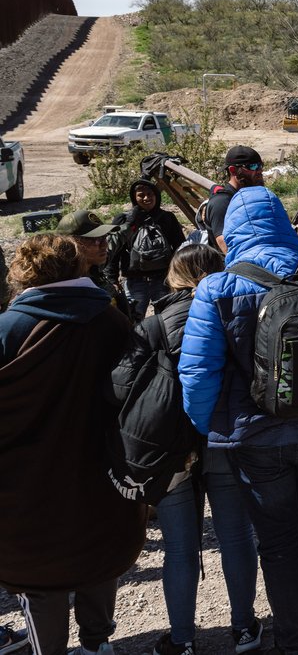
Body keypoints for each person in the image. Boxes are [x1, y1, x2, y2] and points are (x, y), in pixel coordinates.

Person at [180, 186, 298, 655]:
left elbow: (198, 373)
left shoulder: (217, 288)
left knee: (278, 538)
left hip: (254, 438)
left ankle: (293, 639)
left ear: (231, 232)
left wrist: (208, 428)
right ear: (283, 224)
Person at [114, 245, 262, 655]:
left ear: (173, 277)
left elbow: (120, 385)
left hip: (170, 448)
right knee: (236, 536)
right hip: (223, 436)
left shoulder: (155, 324)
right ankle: (244, 629)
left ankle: (182, 639)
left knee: (179, 547)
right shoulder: (237, 312)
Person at [0, 235, 142, 655]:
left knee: (40, 575)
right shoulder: (111, 320)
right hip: (100, 470)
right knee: (98, 553)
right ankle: (98, 645)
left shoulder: (8, 329)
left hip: (25, 482)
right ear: (78, 267)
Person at [104, 179, 186, 318]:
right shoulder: (124, 220)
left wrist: (180, 275)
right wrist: (112, 279)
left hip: (163, 279)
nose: (147, 198)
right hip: (135, 280)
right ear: (134, 197)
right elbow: (114, 251)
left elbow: (180, 247)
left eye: (150, 194)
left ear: (156, 195)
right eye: (141, 195)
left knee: (166, 319)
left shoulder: (167, 218)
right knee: (133, 319)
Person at [56, 209, 132, 316]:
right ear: (72, 244)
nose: (104, 245)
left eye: (105, 237)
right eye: (96, 240)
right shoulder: (65, 285)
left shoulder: (93, 265)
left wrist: (131, 224)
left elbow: (117, 239)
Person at [207, 146, 265, 254]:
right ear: (233, 170)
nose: (259, 171)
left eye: (260, 165)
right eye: (253, 167)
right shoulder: (222, 202)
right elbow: (224, 244)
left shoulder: (255, 198)